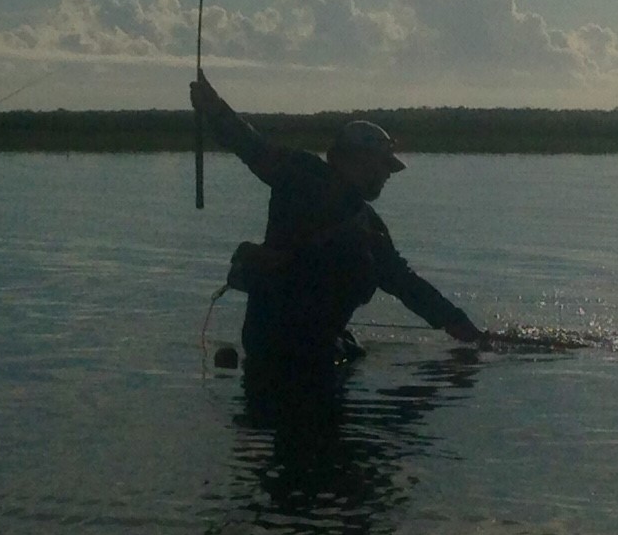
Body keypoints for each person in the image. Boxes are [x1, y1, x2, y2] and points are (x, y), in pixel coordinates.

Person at [191, 70, 484, 380]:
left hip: (311, 348)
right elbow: (250, 145)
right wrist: (215, 109)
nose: (387, 175)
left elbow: (405, 283)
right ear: (353, 158)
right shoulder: (301, 175)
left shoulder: (369, 225)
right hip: (282, 346)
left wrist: (465, 329)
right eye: (382, 165)